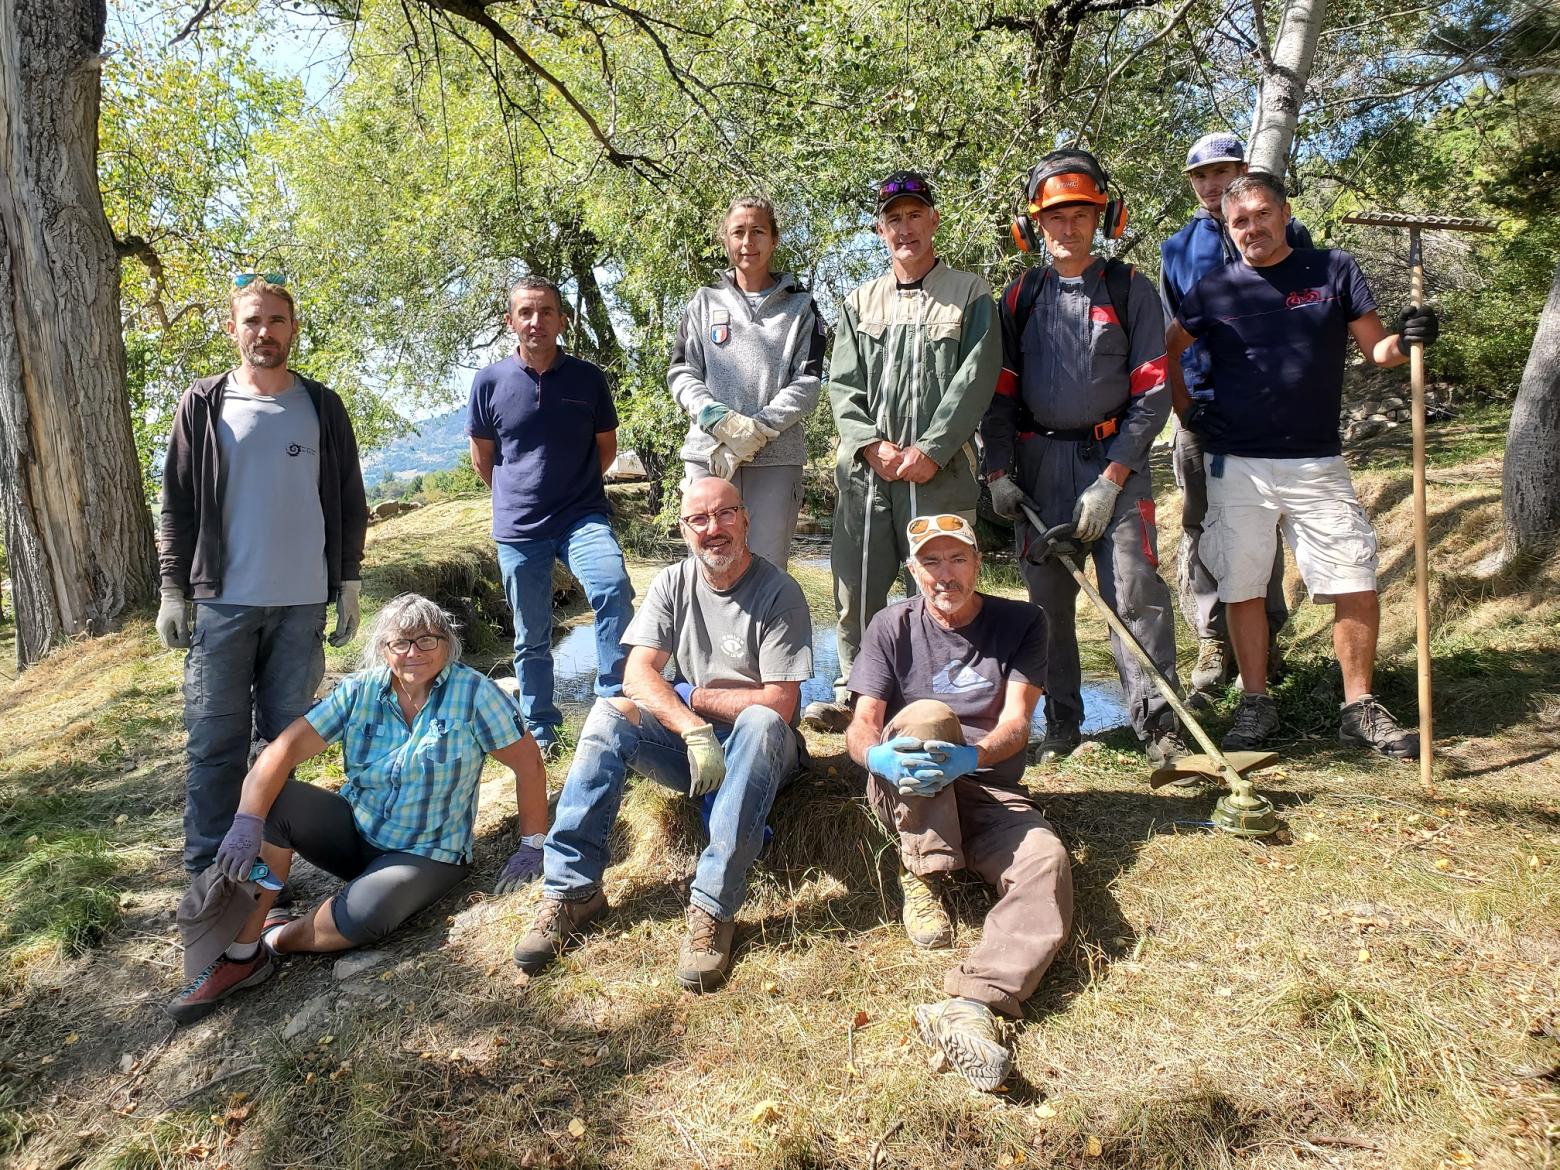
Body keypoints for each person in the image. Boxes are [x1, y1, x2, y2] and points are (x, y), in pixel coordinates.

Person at [165, 594, 549, 1023]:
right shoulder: (360, 690)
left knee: (366, 918)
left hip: (426, 853)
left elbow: (529, 764)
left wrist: (532, 843)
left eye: (427, 640)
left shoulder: (476, 694)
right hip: (356, 831)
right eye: (401, 642)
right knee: (277, 801)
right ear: (384, 649)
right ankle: (241, 955)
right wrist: (245, 821)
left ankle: (277, 938)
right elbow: (283, 751)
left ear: (448, 644)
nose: (413, 653)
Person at [1164, 171, 1439, 757]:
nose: (1253, 228)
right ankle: (1255, 703)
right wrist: (1187, 413)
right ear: (1227, 226)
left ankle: (1358, 706)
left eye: (1262, 214)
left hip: (1316, 461)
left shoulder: (1331, 270)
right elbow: (1170, 348)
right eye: (1240, 221)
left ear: (1284, 213)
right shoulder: (1214, 289)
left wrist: (1409, 339)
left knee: (1354, 579)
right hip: (1237, 461)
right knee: (1241, 586)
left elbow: (1379, 349)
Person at [513, 478, 812, 992]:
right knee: (610, 714)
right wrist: (693, 728)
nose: (713, 529)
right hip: (694, 747)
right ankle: (572, 890)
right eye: (700, 519)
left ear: (745, 520)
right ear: (684, 529)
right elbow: (637, 674)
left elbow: (780, 703)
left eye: (724, 515)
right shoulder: (673, 584)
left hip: (765, 749)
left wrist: (693, 698)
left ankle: (713, 908)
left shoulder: (779, 591)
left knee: (760, 721)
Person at [845, 514, 1072, 1092]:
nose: (944, 574)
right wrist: (879, 760)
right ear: (913, 570)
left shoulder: (1022, 621)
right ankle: (923, 873)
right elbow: (862, 725)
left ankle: (973, 1005)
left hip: (990, 787)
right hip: (908, 786)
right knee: (929, 716)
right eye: (930, 562)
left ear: (978, 562)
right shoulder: (890, 623)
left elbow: (1018, 724)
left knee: (1046, 861)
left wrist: (972, 758)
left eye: (956, 560)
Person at [157, 274, 368, 876]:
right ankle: (207, 873)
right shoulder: (203, 405)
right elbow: (177, 505)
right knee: (215, 746)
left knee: (282, 749)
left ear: (293, 330)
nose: (264, 332)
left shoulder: (322, 406)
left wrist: (347, 582)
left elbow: (349, 501)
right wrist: (173, 590)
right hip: (223, 604)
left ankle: (268, 871)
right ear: (232, 329)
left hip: (302, 607)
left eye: (276, 321)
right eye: (252, 320)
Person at [980, 150, 1185, 766]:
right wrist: (996, 472)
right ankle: (1062, 723)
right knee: (1046, 604)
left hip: (1114, 461)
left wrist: (1113, 477)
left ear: (1105, 217)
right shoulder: (1019, 297)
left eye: (1082, 215)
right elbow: (1000, 393)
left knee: (1135, 590)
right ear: (1034, 226)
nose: (1068, 229)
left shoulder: (1129, 290)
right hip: (1037, 466)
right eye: (1056, 217)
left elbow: (1154, 391)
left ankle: (1160, 729)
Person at [802, 170, 1001, 732]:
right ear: (880, 229)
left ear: (934, 221)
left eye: (915, 215)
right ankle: (855, 693)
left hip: (938, 474)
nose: (905, 227)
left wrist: (933, 449)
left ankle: (942, 695)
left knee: (944, 586)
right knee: (856, 589)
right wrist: (869, 445)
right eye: (894, 219)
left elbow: (976, 377)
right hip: (868, 475)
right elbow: (841, 383)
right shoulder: (857, 301)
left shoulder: (971, 293)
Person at [1159, 134, 1314, 702]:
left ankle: (1267, 631)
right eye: (1200, 176)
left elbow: (1307, 313)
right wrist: (1185, 405)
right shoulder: (1177, 248)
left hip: (1275, 410)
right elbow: (1171, 337)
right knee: (1203, 523)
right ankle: (1212, 636)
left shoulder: (1286, 232)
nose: (1211, 185)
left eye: (1222, 172)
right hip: (1204, 408)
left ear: (1244, 170)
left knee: (1265, 520)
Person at [467, 276, 634, 759]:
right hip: (519, 528)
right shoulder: (489, 382)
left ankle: (613, 705)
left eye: (545, 312)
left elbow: (606, 449)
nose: (536, 321)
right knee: (531, 632)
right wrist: (518, 498)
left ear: (562, 320)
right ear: (510, 321)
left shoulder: (588, 378)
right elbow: (484, 459)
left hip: (582, 516)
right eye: (525, 312)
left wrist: (573, 488)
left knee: (612, 588)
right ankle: (541, 729)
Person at [668, 194, 827, 568]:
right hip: (710, 458)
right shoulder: (702, 303)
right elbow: (681, 372)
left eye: (758, 231)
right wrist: (720, 421)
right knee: (709, 566)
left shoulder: (802, 308)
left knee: (767, 570)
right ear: (725, 240)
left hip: (776, 460)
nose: (747, 241)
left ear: (774, 239)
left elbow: (808, 383)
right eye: (738, 232)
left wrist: (754, 431)